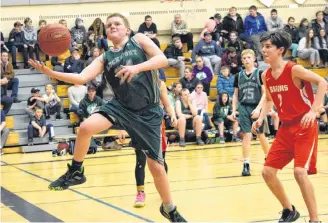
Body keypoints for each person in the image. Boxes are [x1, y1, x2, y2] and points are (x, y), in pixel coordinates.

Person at [28, 13, 186, 222]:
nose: (112, 26)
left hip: (148, 112)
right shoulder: (105, 57)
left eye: (117, 24)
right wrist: (50, 72)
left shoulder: (138, 40)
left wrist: (136, 67)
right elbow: (82, 77)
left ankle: (169, 208)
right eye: (109, 25)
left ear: (127, 30)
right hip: (121, 106)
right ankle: (76, 171)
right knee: (85, 127)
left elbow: (162, 59)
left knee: (156, 167)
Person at [253, 30, 327, 223]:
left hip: (304, 126)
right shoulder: (265, 75)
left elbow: (322, 82)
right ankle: (289, 210)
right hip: (286, 128)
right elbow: (269, 99)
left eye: (269, 46)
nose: (264, 50)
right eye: (263, 46)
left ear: (281, 50)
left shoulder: (294, 69)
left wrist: (313, 110)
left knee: (299, 172)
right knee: (267, 172)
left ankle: (314, 220)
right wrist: (261, 117)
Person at [119, 80, 177, 208]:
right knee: (140, 160)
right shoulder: (134, 82)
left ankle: (164, 191)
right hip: (139, 125)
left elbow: (167, 104)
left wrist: (172, 115)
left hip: (156, 126)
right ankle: (140, 193)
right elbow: (124, 107)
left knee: (160, 162)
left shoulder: (160, 84)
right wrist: (122, 128)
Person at [232, 49, 270, 176]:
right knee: (246, 135)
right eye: (244, 58)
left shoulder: (260, 74)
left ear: (254, 59)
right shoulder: (238, 76)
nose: (247, 60)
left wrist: (259, 109)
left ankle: (269, 158)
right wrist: (233, 110)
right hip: (243, 107)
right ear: (242, 61)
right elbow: (236, 95)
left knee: (261, 134)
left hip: (256, 105)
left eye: (249, 57)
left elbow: (265, 93)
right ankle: (246, 164)